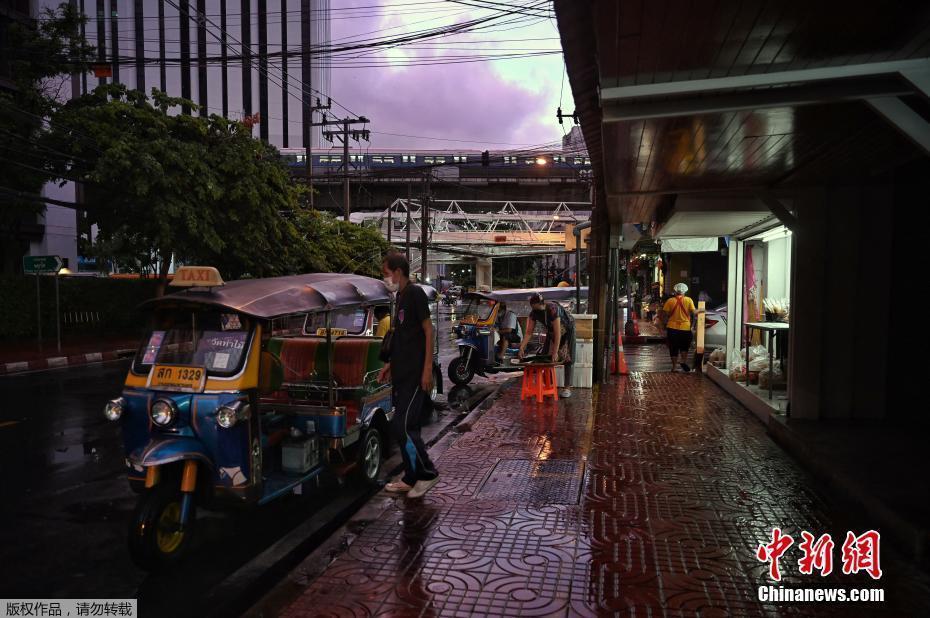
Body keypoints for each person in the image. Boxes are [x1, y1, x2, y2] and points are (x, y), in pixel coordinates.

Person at [377, 253, 439, 499]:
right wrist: (390, 364)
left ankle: (427, 474)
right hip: (401, 373)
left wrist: (426, 370)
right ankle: (411, 477)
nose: (385, 278)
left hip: (415, 373)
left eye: (386, 272)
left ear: (397, 272)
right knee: (404, 426)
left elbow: (428, 329)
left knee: (402, 426)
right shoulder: (400, 297)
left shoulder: (414, 294)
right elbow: (403, 337)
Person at [518, 293, 575, 398]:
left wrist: (555, 351)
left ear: (542, 303)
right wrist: (522, 346)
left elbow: (558, 333)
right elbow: (529, 332)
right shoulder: (533, 313)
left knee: (567, 358)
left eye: (536, 306)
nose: (535, 309)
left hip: (567, 330)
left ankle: (567, 387)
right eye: (533, 307)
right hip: (551, 331)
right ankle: (548, 383)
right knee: (544, 356)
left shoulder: (553, 309)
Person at [662, 282, 700, 372]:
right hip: (685, 328)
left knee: (673, 347)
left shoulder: (670, 301)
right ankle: (683, 361)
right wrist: (702, 310)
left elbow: (665, 315)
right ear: (685, 291)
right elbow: (694, 312)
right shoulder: (689, 300)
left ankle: (674, 367)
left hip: (672, 328)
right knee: (684, 347)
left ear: (675, 291)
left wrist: (664, 326)